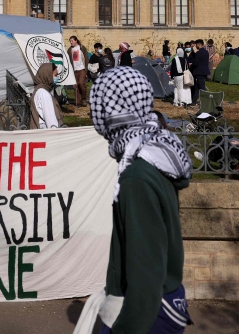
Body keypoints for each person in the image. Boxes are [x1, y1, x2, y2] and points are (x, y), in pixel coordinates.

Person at [77, 67, 193, 334]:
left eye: (99, 105)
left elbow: (146, 272)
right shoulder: (154, 153)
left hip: (146, 311)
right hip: (161, 303)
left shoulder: (137, 176)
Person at [31, 62, 62, 129]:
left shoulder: (38, 90)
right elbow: (51, 120)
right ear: (48, 76)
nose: (57, 78)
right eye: (55, 75)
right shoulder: (44, 94)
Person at [188, 39, 210, 105]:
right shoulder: (206, 52)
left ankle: (205, 101)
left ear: (198, 44)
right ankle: (194, 101)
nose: (196, 46)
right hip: (204, 71)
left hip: (199, 72)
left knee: (201, 87)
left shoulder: (199, 53)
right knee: (197, 87)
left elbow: (196, 62)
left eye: (196, 45)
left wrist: (191, 64)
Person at [69, 36, 90, 108]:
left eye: (72, 41)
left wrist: (86, 70)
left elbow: (86, 58)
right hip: (75, 70)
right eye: (70, 41)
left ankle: (84, 98)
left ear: (76, 41)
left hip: (82, 69)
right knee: (76, 86)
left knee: (81, 83)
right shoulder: (70, 49)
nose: (71, 42)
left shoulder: (82, 48)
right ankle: (78, 102)